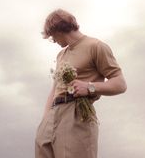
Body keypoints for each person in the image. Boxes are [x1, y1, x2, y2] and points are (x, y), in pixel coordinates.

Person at [35, 9, 127, 158]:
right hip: (53, 114)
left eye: (52, 37)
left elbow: (120, 83)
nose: (54, 41)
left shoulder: (96, 46)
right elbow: (54, 90)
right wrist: (44, 121)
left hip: (77, 113)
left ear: (58, 29)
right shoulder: (61, 55)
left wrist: (90, 87)